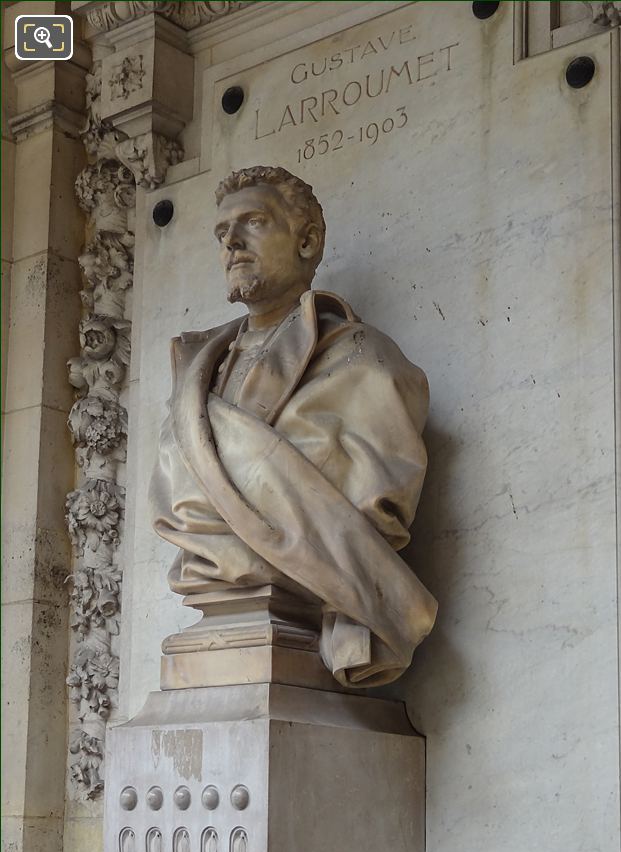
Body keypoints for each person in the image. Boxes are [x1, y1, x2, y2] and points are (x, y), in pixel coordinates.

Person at [149, 165, 437, 686]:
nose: (232, 242)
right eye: (220, 233)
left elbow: (376, 503)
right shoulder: (195, 377)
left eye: (252, 222)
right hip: (221, 606)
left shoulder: (367, 364)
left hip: (294, 615)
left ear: (307, 241)